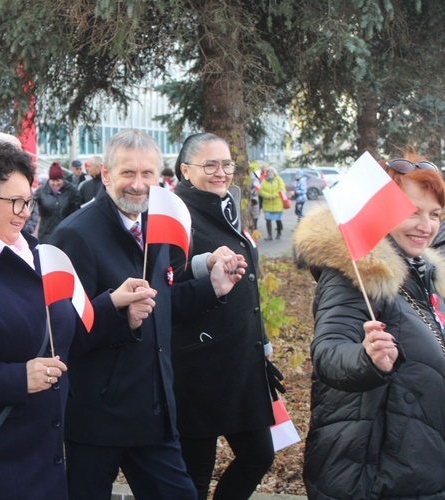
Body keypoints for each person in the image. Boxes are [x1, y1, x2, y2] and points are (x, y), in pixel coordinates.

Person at [0, 140, 157, 499]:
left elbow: (64, 337)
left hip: (46, 454)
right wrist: (18, 377)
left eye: (28, 199)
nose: (25, 211)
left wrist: (114, 307)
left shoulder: (42, 255)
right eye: (14, 202)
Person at [50, 129, 245, 500]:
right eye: (128, 173)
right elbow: (62, 335)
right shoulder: (75, 234)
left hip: (153, 415)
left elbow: (161, 304)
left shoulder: (159, 225)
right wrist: (116, 311)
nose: (138, 185)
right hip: (97, 420)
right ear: (106, 174)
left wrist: (212, 287)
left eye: (147, 174)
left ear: (160, 178)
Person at [294, 156, 445, 499]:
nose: (426, 225)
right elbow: (329, 351)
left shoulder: (421, 274)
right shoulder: (356, 275)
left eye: (434, 214)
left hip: (417, 466)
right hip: (373, 472)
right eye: (412, 212)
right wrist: (367, 359)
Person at [172, 133, 276, 499]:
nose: (221, 172)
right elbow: (167, 282)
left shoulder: (228, 206)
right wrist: (203, 267)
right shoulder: (177, 215)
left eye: (227, 164)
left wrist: (262, 340)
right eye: (210, 165)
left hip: (241, 361)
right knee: (194, 475)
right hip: (198, 366)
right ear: (186, 170)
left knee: (258, 455)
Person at [35, 162, 80, 243]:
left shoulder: (71, 190)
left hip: (66, 234)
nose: (55, 183)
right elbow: (33, 209)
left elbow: (76, 211)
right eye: (53, 180)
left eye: (58, 180)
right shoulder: (41, 191)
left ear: (62, 179)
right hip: (46, 234)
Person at [259, 166, 286, 240]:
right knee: (268, 220)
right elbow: (261, 191)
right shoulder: (264, 181)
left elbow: (281, 189)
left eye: (271, 172)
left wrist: (274, 195)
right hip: (267, 203)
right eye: (268, 172)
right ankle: (269, 235)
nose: (269, 173)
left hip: (277, 203)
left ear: (274, 173)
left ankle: (279, 233)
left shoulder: (278, 179)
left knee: (278, 219)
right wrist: (268, 196)